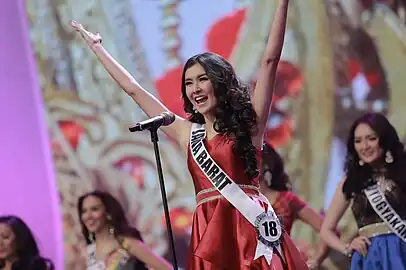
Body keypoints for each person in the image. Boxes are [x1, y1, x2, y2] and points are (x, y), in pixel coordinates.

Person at [71, 0, 309, 268]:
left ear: (220, 83)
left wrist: (282, 3)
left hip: (248, 225)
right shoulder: (187, 132)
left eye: (202, 79)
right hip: (209, 229)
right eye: (188, 83)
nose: (195, 88)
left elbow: (269, 61)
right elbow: (134, 89)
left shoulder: (249, 126)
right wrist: (98, 49)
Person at [321, 112, 406, 270]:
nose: (365, 146)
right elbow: (326, 230)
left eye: (371, 138)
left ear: (385, 139)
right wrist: (346, 248)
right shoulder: (351, 182)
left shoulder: (402, 173)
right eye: (358, 141)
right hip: (371, 257)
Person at [260, 142, 330, 269]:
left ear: (265, 164)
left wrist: (315, 260)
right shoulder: (234, 200)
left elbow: (329, 229)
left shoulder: (286, 200)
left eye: (251, 156)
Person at [77, 190, 172, 269]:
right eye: (84, 211)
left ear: (108, 213)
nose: (88, 216)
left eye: (94, 209)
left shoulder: (127, 244)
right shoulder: (86, 254)